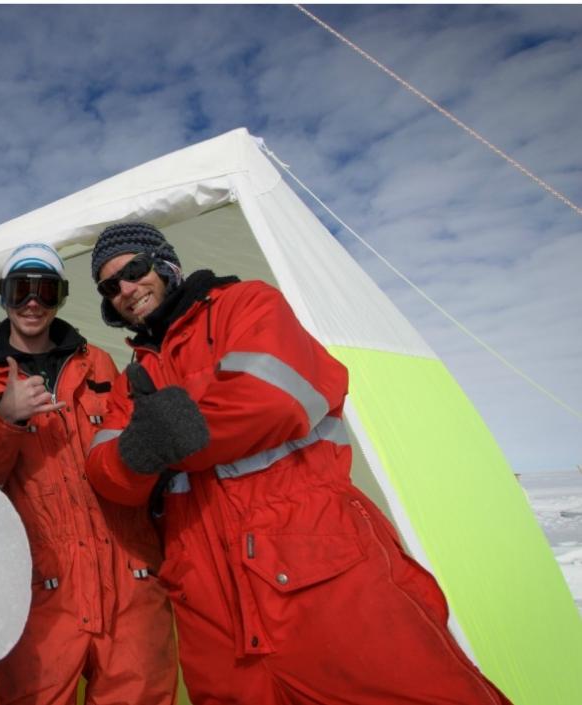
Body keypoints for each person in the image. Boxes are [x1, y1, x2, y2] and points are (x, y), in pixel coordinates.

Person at [83, 222, 512, 704]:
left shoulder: (244, 305)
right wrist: (140, 452)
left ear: (165, 264)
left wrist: (165, 441)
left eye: (134, 270)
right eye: (109, 286)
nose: (125, 289)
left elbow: (275, 399)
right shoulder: (132, 379)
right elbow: (104, 471)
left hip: (316, 564)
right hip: (205, 597)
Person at [0, 244, 177, 705]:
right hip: (36, 595)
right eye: (20, 290)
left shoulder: (100, 363)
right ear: (3, 296)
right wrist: (5, 418)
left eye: (45, 291)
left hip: (131, 585)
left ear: (61, 297)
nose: (32, 302)